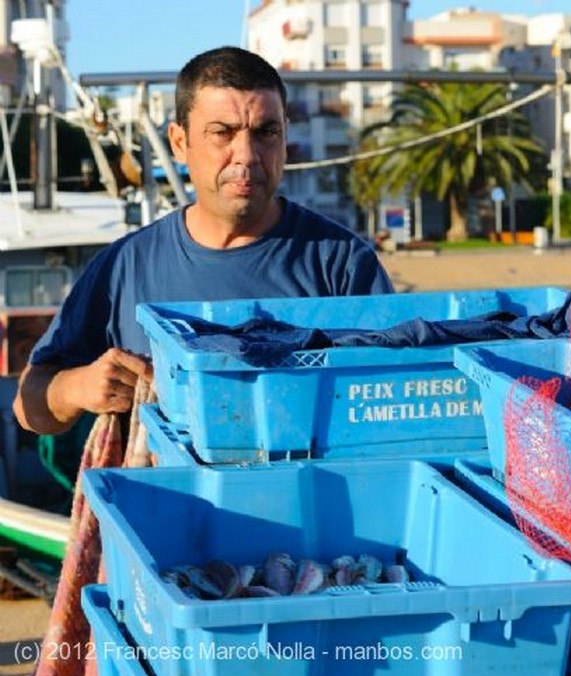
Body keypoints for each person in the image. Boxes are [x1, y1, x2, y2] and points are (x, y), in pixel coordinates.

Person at [14, 46, 394, 435]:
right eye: (221, 133)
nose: (246, 155)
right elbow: (30, 408)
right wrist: (76, 387)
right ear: (179, 142)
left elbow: (391, 402)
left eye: (266, 132)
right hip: (170, 496)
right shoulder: (122, 267)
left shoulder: (342, 263)